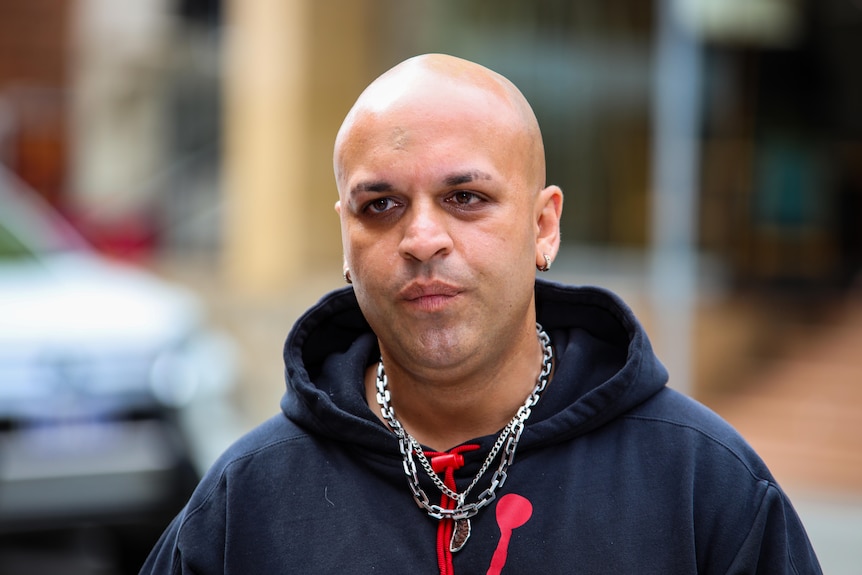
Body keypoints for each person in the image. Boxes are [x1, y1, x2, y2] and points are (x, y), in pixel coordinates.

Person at [140, 54, 821, 574]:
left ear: (544, 224)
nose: (422, 238)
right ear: (346, 239)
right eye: (380, 205)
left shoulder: (703, 483)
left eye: (465, 196)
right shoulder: (246, 500)